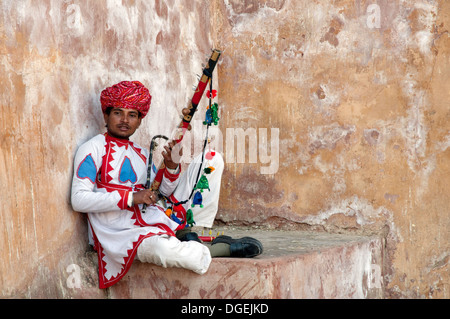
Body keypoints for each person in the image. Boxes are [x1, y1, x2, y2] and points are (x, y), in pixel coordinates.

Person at [71, 81, 262, 288]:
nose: (125, 120)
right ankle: (213, 249)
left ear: (139, 121)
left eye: (132, 115)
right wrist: (131, 198)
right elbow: (79, 199)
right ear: (106, 116)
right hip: (120, 233)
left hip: (157, 216)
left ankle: (193, 232)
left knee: (211, 160)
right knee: (161, 251)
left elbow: (162, 193)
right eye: (118, 113)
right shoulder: (92, 149)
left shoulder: (142, 153)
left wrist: (171, 167)